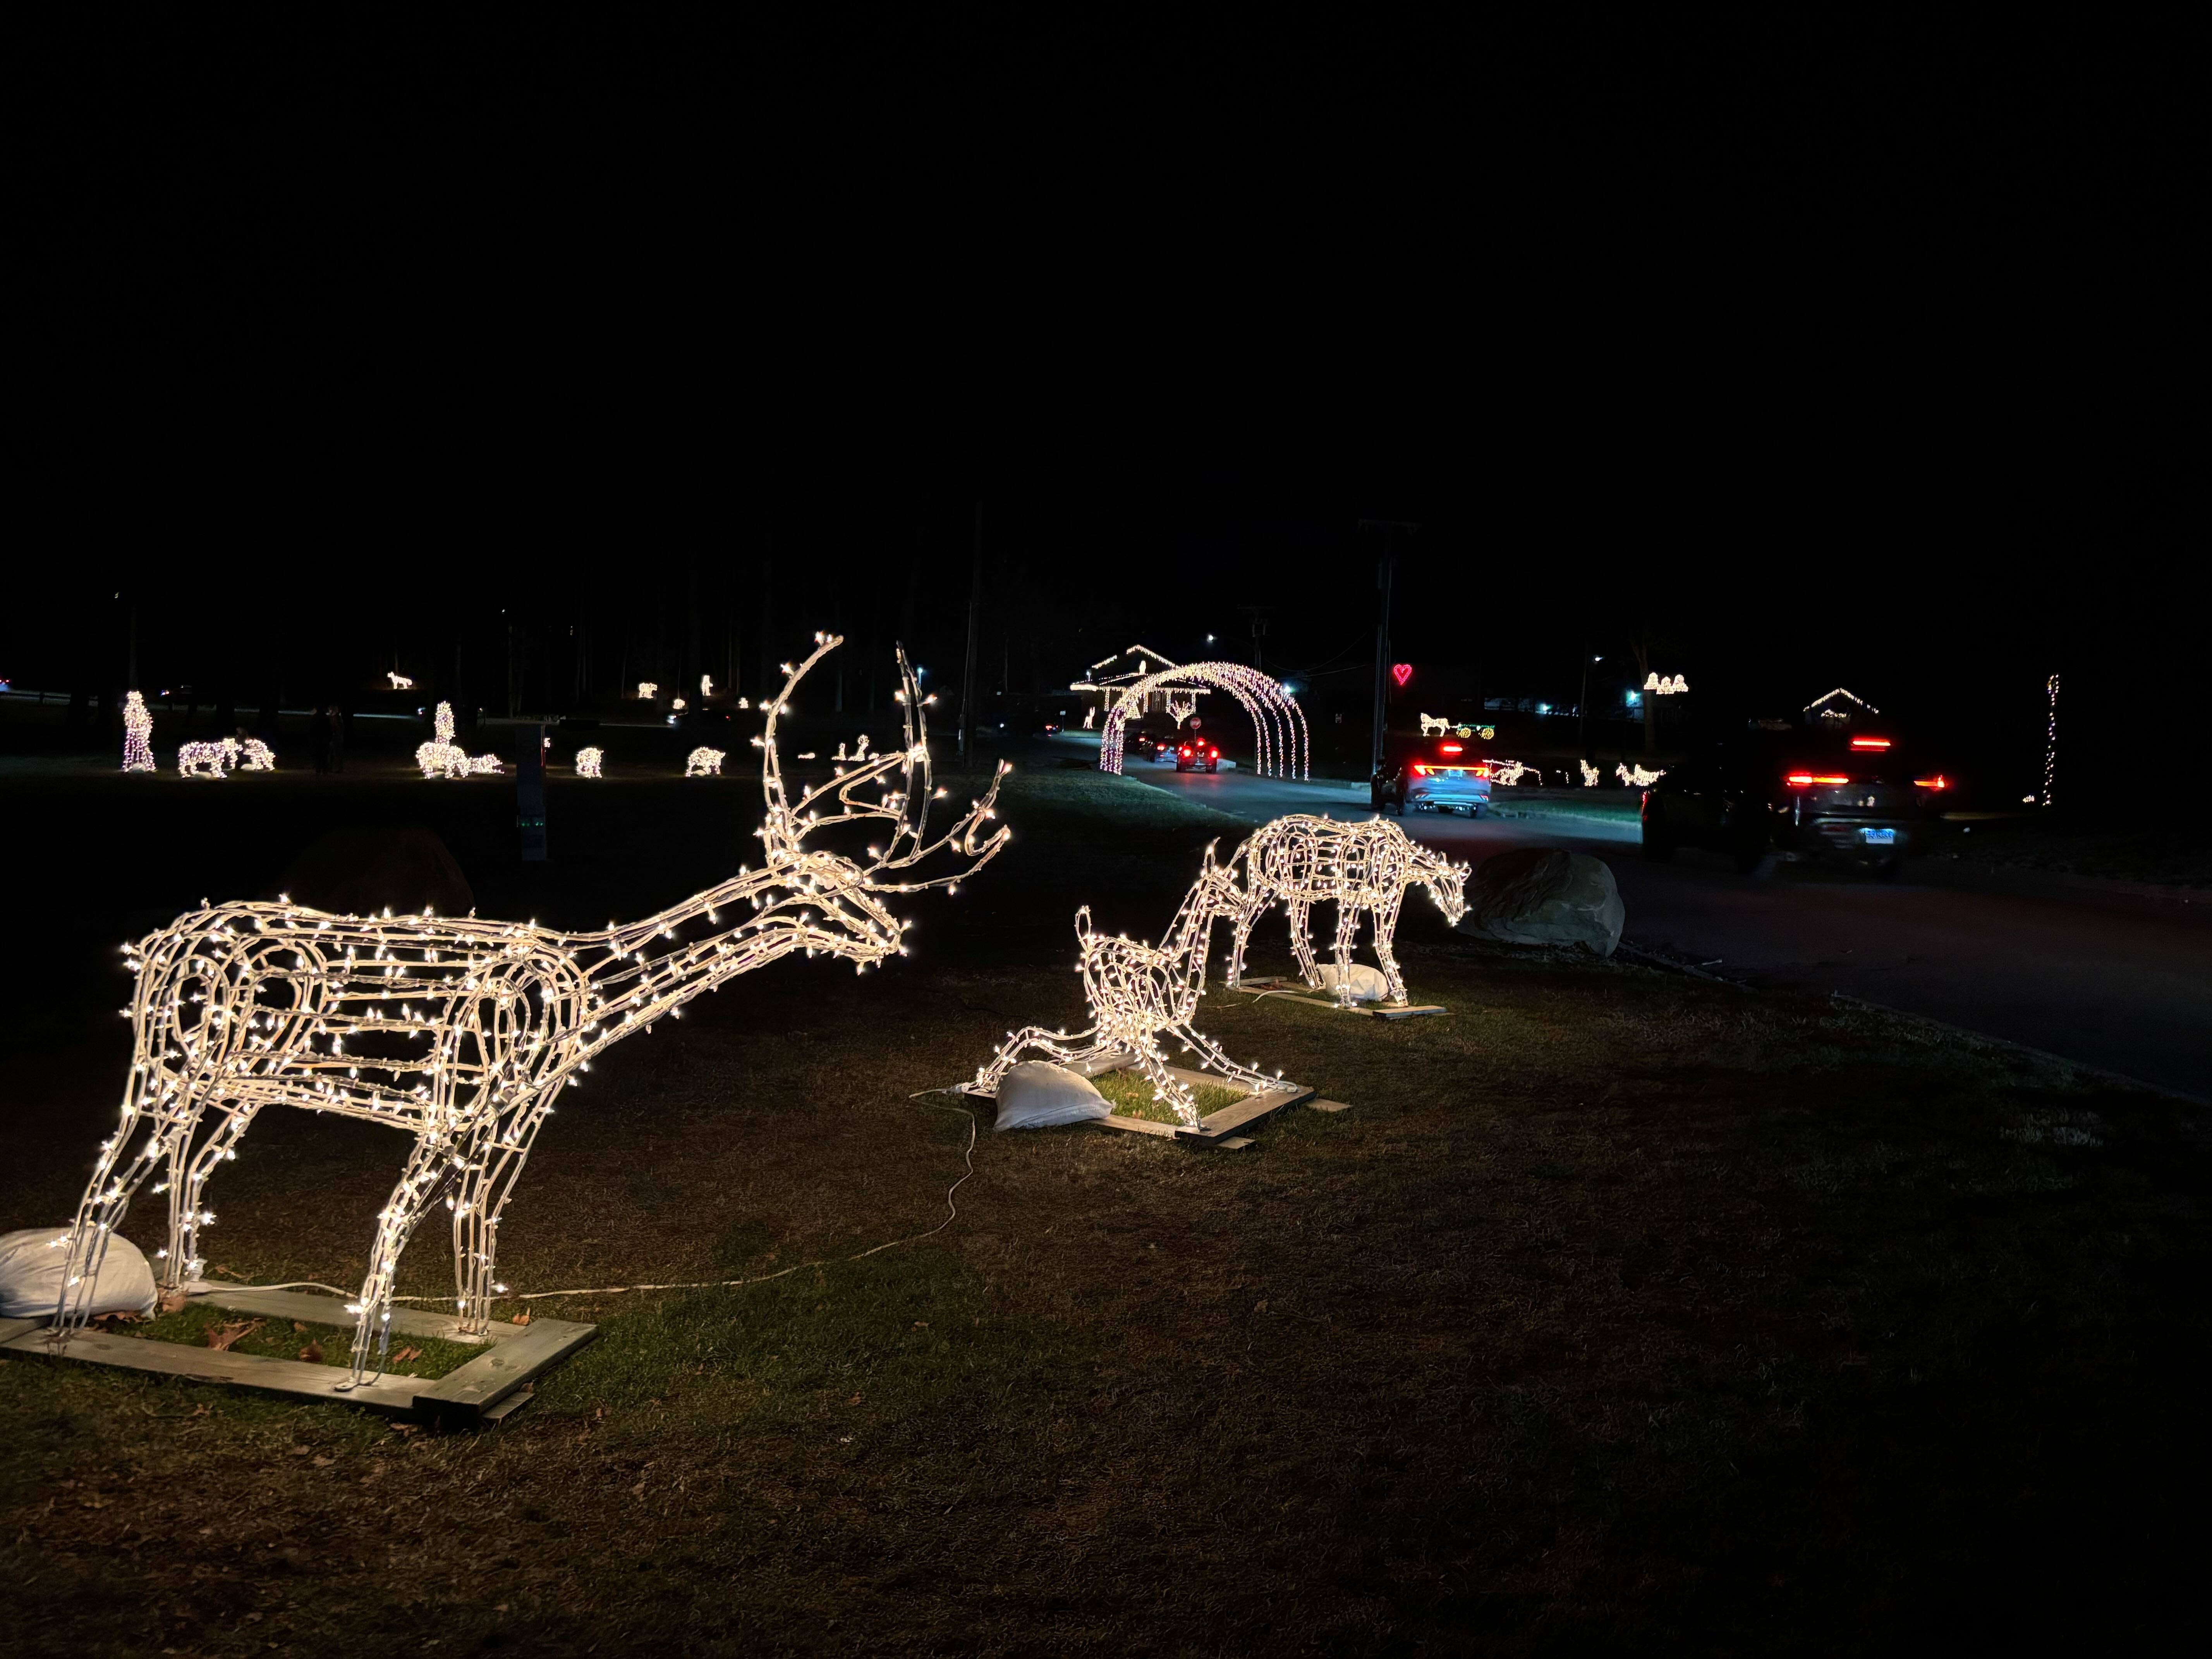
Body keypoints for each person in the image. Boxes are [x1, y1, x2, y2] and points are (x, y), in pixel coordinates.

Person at [310, 705, 331, 774]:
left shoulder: (315, 718)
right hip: (324, 739)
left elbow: (312, 730)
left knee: (318, 755)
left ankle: (318, 770)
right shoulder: (326, 718)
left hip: (318, 739)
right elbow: (329, 729)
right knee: (324, 756)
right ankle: (324, 770)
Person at [327, 706, 346, 773]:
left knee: (336, 754)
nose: (329, 711)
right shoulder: (333, 718)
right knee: (332, 754)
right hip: (334, 739)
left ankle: (338, 768)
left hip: (336, 739)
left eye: (331, 710)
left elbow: (338, 729)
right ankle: (332, 768)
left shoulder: (336, 718)